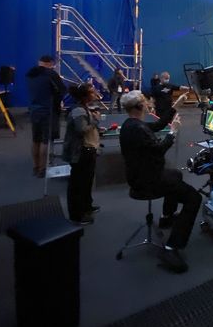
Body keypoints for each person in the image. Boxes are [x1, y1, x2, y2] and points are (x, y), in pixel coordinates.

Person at [119, 90, 201, 273]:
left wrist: (177, 105)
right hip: (148, 181)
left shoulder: (131, 124)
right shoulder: (138, 129)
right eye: (147, 101)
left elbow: (157, 124)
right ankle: (172, 248)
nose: (150, 103)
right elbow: (159, 150)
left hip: (140, 176)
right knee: (194, 198)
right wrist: (173, 133)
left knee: (176, 175)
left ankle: (166, 217)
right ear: (140, 106)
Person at [62, 83, 101, 225]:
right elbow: (82, 129)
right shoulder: (78, 110)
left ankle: (86, 206)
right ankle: (76, 214)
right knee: (78, 184)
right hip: (81, 152)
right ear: (85, 95)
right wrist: (96, 120)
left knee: (87, 181)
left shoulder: (84, 108)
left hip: (88, 150)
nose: (95, 93)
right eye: (92, 91)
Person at [25, 55, 66, 178]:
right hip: (48, 110)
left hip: (34, 110)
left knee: (35, 139)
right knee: (45, 140)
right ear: (49, 63)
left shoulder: (30, 73)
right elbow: (62, 90)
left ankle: (36, 166)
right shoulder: (51, 74)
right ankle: (43, 168)